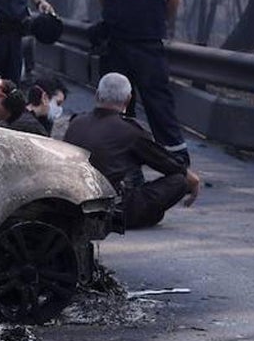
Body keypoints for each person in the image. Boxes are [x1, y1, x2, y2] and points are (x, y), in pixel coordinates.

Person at [91, 0, 190, 167]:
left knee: (158, 101)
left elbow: (174, 0)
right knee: (118, 106)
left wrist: (155, 24)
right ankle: (122, 159)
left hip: (148, 44)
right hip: (116, 44)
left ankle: (176, 156)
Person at [64, 72, 200, 229]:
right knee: (178, 181)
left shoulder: (76, 122)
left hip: (73, 202)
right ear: (128, 99)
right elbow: (166, 163)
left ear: (97, 95)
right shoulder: (129, 131)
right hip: (110, 208)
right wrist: (192, 180)